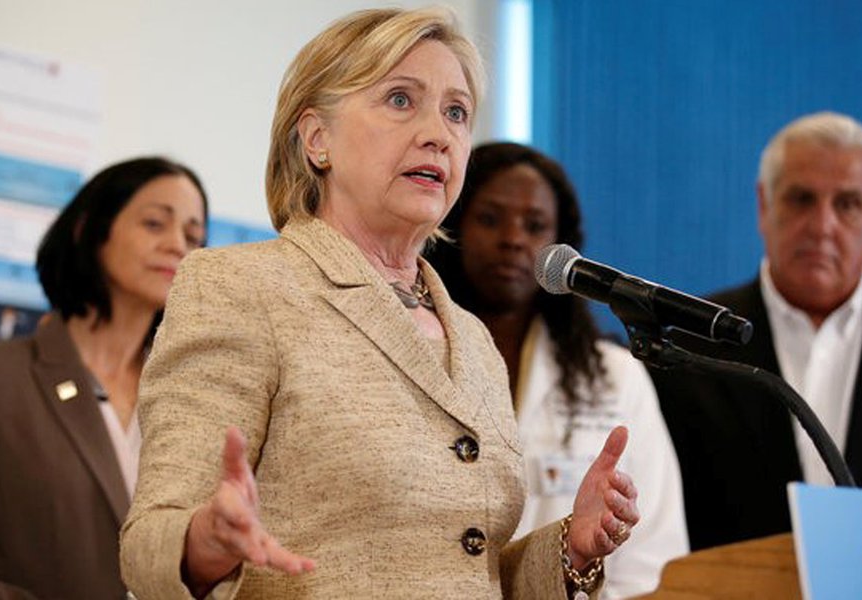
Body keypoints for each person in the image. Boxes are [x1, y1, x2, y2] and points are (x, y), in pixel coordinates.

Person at [120, 8, 640, 600]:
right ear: (317, 138)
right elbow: (147, 546)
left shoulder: (472, 338)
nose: (439, 134)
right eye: (400, 100)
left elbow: (464, 573)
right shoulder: (239, 288)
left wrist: (569, 550)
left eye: (456, 112)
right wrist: (207, 540)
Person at [0, 156, 208, 598]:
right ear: (88, 231)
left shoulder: (192, 397)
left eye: (193, 236)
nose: (178, 245)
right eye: (155, 223)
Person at [427, 141, 688, 598]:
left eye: (535, 226)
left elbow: (653, 558)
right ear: (454, 226)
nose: (513, 239)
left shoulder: (613, 378)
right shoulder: (414, 357)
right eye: (490, 218)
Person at [651, 111, 862, 551]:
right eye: (801, 199)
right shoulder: (688, 344)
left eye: (847, 204)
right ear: (764, 206)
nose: (822, 226)